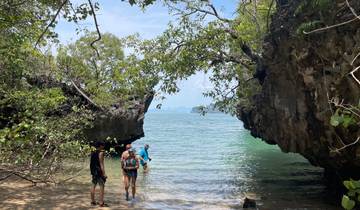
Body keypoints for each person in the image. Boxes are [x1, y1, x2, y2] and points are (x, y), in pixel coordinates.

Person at [90, 141, 108, 207]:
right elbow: (101, 164)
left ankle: (92, 201)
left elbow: (92, 163)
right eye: (103, 145)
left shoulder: (92, 152)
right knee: (102, 186)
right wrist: (104, 173)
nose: (103, 146)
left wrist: (92, 171)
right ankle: (101, 202)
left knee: (93, 185)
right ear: (100, 146)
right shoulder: (101, 153)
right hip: (99, 171)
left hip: (93, 171)